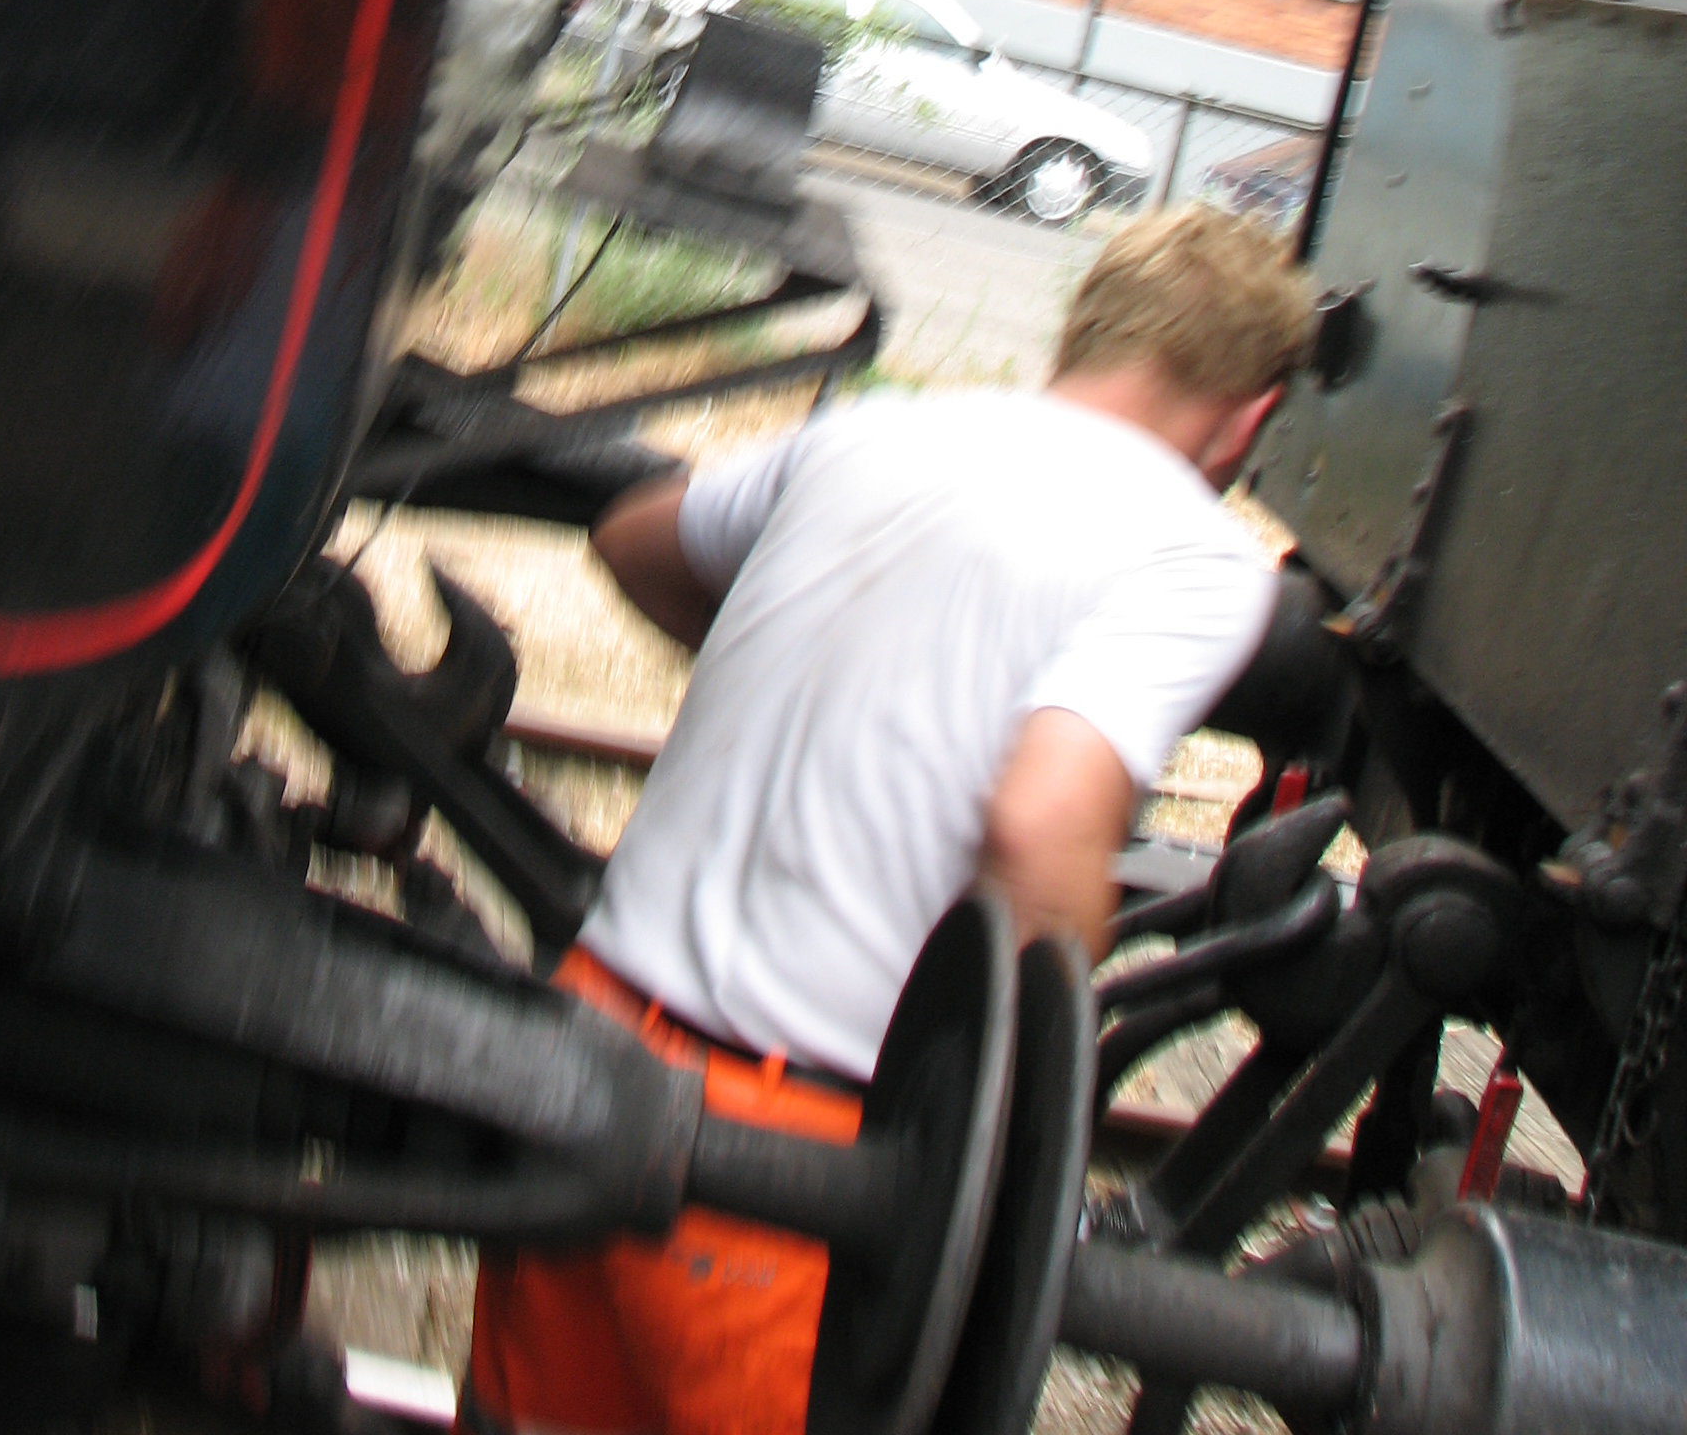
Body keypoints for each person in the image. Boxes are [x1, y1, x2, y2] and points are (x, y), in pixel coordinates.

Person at [462, 204, 1314, 1435]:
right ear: (1249, 416)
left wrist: (809, 665)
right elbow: (1042, 821)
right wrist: (1028, 1109)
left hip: (582, 1056)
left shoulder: (871, 431)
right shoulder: (1193, 554)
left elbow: (634, 535)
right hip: (786, 1169)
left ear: (1088, 328)